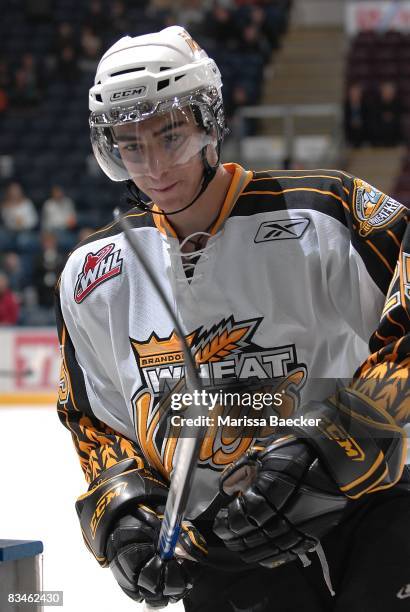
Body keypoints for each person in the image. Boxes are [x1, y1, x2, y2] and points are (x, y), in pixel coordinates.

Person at [55, 26, 410, 611]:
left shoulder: (325, 213)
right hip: (223, 554)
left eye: (170, 135)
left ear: (208, 121)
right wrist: (123, 509)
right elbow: (95, 421)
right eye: (130, 145)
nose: (154, 166)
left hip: (366, 526)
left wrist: (340, 438)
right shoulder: (93, 275)